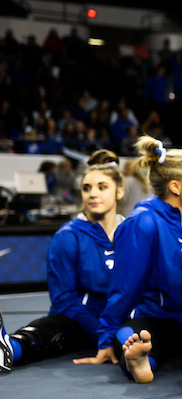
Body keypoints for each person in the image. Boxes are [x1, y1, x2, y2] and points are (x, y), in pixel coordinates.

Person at [96, 137, 182, 384]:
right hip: (153, 319)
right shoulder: (143, 222)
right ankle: (141, 363)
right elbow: (125, 287)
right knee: (132, 337)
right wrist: (106, 337)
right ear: (175, 187)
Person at [1, 150, 125, 373]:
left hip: (125, 321)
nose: (92, 194)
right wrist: (103, 334)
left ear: (120, 192)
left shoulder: (133, 233)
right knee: (55, 330)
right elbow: (64, 300)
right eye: (86, 188)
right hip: (80, 321)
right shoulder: (67, 236)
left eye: (102, 187)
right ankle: (10, 348)